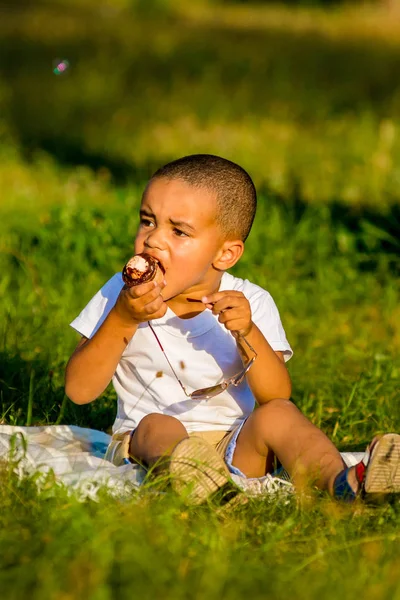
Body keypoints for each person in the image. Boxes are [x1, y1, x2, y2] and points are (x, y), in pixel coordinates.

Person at [65, 154, 400, 505]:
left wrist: (247, 332)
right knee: (155, 424)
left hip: (236, 444)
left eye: (178, 231)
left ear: (225, 254)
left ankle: (343, 485)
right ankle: (201, 485)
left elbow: (276, 393)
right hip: (152, 445)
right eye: (148, 222)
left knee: (279, 416)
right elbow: (79, 390)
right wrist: (123, 318)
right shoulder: (119, 295)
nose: (153, 241)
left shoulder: (251, 301)